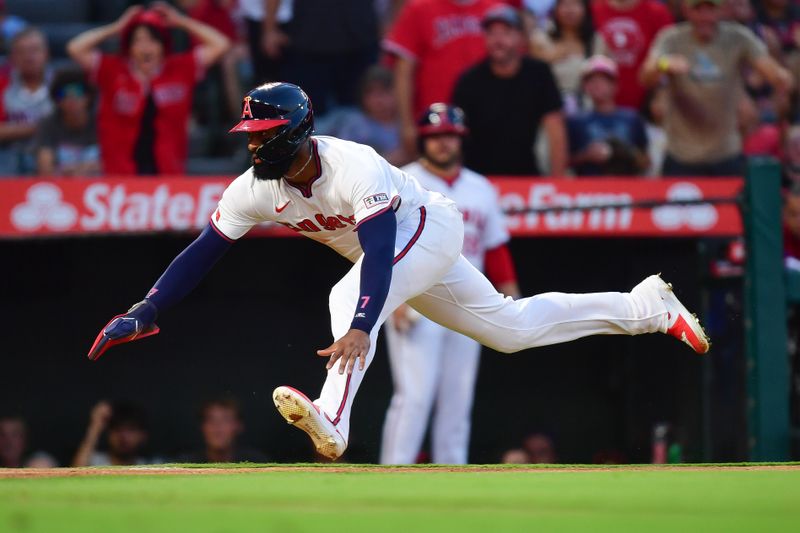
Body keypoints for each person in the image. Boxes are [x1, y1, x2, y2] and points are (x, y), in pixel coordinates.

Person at [87, 81, 710, 461]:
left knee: (348, 291)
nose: (253, 144)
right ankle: (646, 307)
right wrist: (147, 309)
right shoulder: (255, 187)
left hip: (429, 229)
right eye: (249, 132)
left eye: (263, 132)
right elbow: (203, 249)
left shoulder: (353, 164)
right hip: (390, 254)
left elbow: (379, 253)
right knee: (512, 330)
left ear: (297, 133)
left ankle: (334, 418)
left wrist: (364, 322)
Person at [380, 103, 520, 465]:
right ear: (423, 140)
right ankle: (392, 474)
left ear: (461, 140)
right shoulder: (402, 179)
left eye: (450, 136)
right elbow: (384, 242)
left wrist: (512, 299)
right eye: (436, 136)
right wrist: (392, 298)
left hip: (468, 302)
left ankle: (452, 477)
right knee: (415, 395)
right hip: (418, 299)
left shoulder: (481, 188)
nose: (444, 144)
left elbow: (496, 248)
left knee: (458, 398)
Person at [66, 3, 230, 175]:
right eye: (137, 41)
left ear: (162, 45)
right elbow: (75, 48)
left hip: (168, 173)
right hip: (119, 175)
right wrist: (116, 27)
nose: (145, 47)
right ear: (129, 48)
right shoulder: (112, 70)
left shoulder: (180, 68)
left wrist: (181, 22)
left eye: (152, 40)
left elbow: (221, 44)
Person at [639, 0, 793, 177]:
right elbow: (645, 77)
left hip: (727, 154)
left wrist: (781, 78)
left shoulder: (738, 37)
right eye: (698, 9)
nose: (705, 17)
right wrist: (664, 64)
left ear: (721, 10)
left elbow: (771, 70)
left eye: (710, 9)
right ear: (686, 11)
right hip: (681, 156)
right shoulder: (671, 38)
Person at [453, 5, 567, 176]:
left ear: (521, 37)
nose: (498, 40)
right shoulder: (469, 81)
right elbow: (455, 137)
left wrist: (558, 184)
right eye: (491, 33)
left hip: (526, 179)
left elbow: (555, 129)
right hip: (478, 181)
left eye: (506, 32)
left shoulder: (539, 74)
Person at [383, 0, 497, 155]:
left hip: (488, 120)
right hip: (435, 122)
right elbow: (403, 72)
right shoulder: (420, 8)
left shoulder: (495, 9)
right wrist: (406, 125)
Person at [567, 55, 648, 176]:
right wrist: (586, 156)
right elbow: (564, 161)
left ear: (615, 85)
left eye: (603, 80)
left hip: (627, 188)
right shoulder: (576, 121)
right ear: (585, 86)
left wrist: (629, 154)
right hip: (588, 190)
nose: (597, 84)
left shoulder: (632, 118)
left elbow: (646, 161)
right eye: (591, 80)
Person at [592, 0, 674, 110]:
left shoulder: (657, 12)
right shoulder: (594, 9)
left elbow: (670, 57)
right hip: (599, 107)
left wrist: (661, 93)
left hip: (647, 104)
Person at [321, 66, 408, 167]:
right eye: (371, 93)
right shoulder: (354, 125)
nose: (378, 100)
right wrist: (387, 160)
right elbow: (342, 162)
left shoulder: (407, 125)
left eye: (383, 92)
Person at [0, 27, 52, 175]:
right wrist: (39, 127)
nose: (28, 57)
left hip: (54, 154)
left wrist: (14, 129)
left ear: (46, 54)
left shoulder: (61, 84)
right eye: (21, 51)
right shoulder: (2, 85)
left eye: (34, 50)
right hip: (8, 155)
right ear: (12, 57)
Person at [529, 0, 595, 114]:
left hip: (588, 114)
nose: (570, 9)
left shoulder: (596, 41)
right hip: (550, 111)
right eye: (564, 4)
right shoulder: (539, 40)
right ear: (555, 9)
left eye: (575, 4)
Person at [32, 68, 100, 177]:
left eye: (77, 91)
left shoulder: (102, 123)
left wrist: (81, 169)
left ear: (88, 97)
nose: (71, 98)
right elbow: (45, 169)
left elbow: (114, 163)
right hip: (62, 185)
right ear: (57, 100)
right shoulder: (48, 124)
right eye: (63, 93)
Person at [181, 397, 269, 463]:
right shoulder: (184, 465)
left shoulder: (256, 463)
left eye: (225, 420)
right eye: (211, 419)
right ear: (202, 427)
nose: (217, 426)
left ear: (238, 426)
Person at [72, 401, 159, 466]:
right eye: (117, 429)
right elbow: (75, 476)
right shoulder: (95, 462)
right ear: (108, 433)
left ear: (143, 435)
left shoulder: (150, 466)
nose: (123, 436)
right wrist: (95, 426)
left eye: (131, 429)